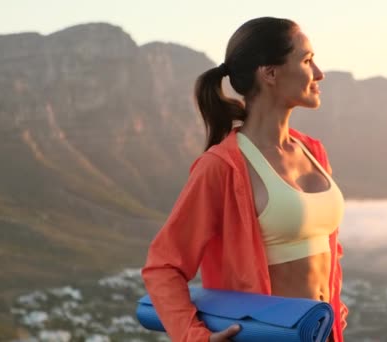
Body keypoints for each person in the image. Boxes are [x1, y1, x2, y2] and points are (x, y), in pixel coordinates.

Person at [141, 17, 348, 342]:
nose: (319, 73)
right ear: (270, 73)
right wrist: (195, 337)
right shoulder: (222, 167)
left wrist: (337, 321)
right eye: (307, 60)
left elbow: (327, 253)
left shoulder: (314, 152)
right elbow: (163, 267)